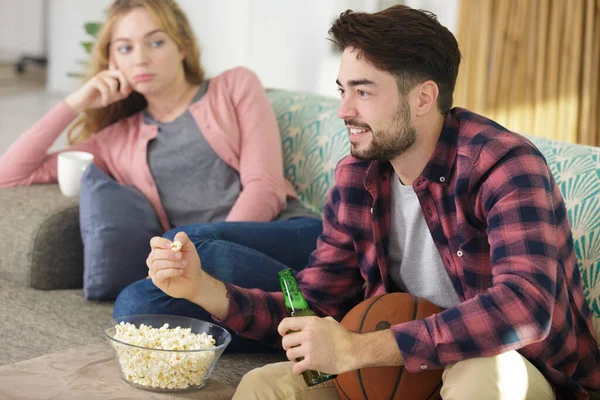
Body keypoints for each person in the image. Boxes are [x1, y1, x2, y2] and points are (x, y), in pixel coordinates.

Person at [145, 5, 600, 399]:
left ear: (423, 98)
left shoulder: (503, 166)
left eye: (363, 91)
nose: (344, 110)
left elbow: (526, 307)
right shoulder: (358, 177)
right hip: (402, 368)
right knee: (264, 387)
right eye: (343, 90)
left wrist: (358, 349)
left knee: (482, 374)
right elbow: (313, 309)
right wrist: (202, 288)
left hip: (522, 372)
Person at [0, 0, 322, 353]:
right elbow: (11, 174)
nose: (140, 58)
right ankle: (309, 316)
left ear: (181, 46)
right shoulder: (116, 140)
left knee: (187, 243)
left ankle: (306, 301)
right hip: (218, 277)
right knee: (133, 306)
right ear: (113, 62)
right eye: (125, 48)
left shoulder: (233, 86)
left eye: (155, 42)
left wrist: (197, 261)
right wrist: (75, 102)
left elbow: (266, 187)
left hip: (294, 239)